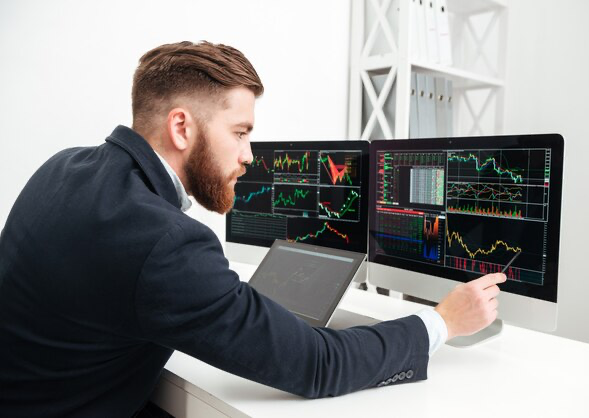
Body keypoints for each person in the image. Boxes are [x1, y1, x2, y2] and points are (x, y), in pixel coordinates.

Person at [0, 41, 505, 417]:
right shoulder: (166, 244)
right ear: (182, 127)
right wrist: (443, 322)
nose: (248, 156)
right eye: (240, 133)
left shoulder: (62, 167)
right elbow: (317, 365)